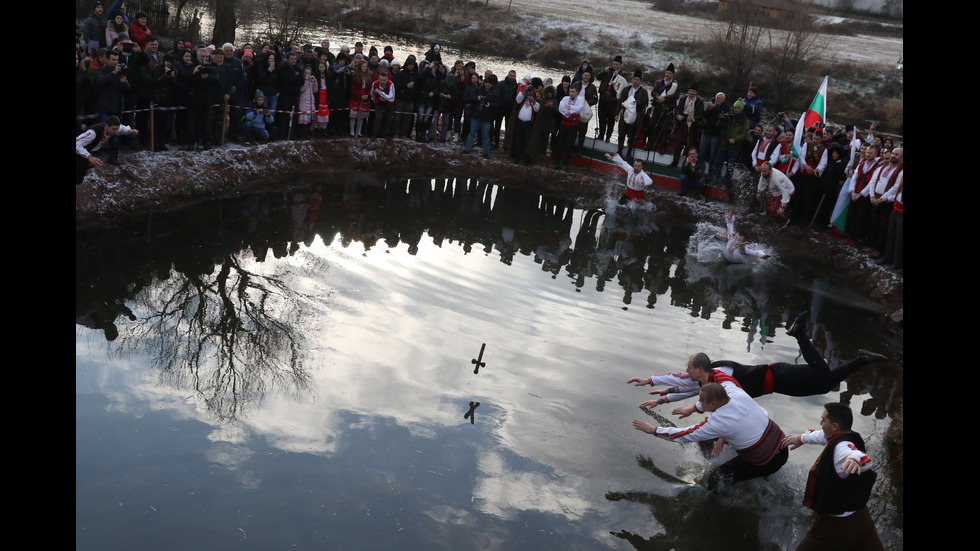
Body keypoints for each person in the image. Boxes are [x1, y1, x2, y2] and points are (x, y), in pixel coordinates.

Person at [626, 311, 888, 405]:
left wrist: (650, 380)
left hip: (777, 374)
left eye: (689, 368)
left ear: (700, 368)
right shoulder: (706, 383)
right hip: (779, 386)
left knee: (821, 373)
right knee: (823, 385)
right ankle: (862, 360)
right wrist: (662, 399)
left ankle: (799, 333)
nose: (686, 371)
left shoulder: (721, 371)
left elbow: (680, 381)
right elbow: (688, 389)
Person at [632, 380, 789, 490]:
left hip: (767, 462)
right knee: (711, 438)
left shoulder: (717, 422)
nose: (698, 403)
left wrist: (653, 429)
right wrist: (722, 436)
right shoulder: (735, 391)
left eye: (701, 400)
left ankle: (714, 504)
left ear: (713, 404)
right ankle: (715, 461)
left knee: (717, 476)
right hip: (783, 446)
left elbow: (686, 434)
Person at [781, 403, 884, 551]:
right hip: (862, 519)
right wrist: (801, 438)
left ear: (834, 426)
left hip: (835, 526)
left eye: (823, 420)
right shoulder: (846, 436)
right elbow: (822, 436)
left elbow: (862, 458)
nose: (821, 423)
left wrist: (855, 459)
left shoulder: (842, 449)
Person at [76, 115, 138, 185]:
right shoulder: (93, 133)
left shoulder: (111, 128)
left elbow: (121, 128)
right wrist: (89, 157)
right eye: (114, 129)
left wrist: (129, 130)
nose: (115, 132)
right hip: (79, 154)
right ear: (106, 126)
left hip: (85, 155)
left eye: (117, 129)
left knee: (79, 179)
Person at [616, 69, 649, 160]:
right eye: (634, 79)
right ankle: (619, 150)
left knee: (632, 136)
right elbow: (620, 101)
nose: (636, 81)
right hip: (624, 114)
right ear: (632, 80)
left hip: (636, 117)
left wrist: (635, 105)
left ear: (640, 81)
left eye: (638, 79)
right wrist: (617, 113)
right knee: (621, 134)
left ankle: (629, 152)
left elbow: (645, 105)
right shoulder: (626, 89)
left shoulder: (644, 92)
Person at [757, 161, 795, 227]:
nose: (763, 173)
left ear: (770, 170)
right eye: (762, 171)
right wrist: (759, 192)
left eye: (765, 171)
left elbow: (785, 191)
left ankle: (784, 221)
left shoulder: (777, 178)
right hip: (775, 191)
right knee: (770, 208)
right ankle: (777, 220)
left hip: (788, 192)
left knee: (774, 209)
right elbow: (761, 181)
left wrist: (782, 206)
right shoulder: (764, 173)